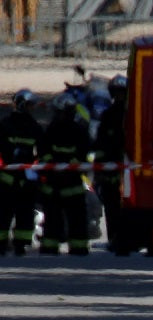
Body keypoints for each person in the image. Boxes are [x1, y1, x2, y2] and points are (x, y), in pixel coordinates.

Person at [39, 93, 91, 256]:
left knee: (65, 218)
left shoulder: (56, 129)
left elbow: (83, 155)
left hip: (63, 182)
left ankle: (69, 246)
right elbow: (44, 152)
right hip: (65, 183)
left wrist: (56, 165)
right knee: (64, 218)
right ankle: (74, 247)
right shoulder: (69, 130)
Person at [0, 89, 44, 256]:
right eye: (30, 105)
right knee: (5, 213)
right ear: (22, 105)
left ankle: (20, 243)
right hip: (9, 177)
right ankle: (9, 244)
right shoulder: (6, 125)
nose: (32, 109)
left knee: (23, 213)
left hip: (25, 178)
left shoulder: (34, 127)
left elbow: (42, 152)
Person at [93, 74, 127, 251]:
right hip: (111, 169)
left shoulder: (132, 114)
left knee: (123, 206)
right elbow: (101, 143)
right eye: (118, 93)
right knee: (112, 205)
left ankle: (124, 239)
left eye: (122, 93)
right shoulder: (108, 115)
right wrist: (99, 168)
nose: (120, 96)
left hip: (127, 169)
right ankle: (115, 238)